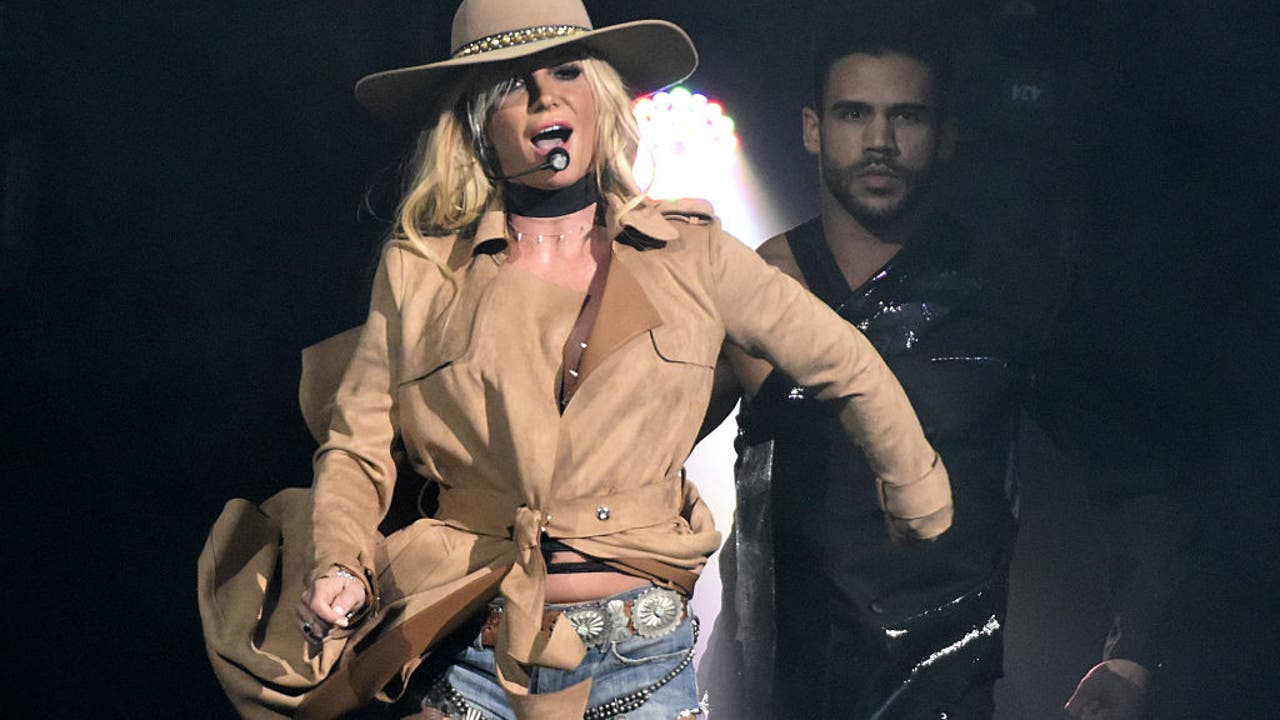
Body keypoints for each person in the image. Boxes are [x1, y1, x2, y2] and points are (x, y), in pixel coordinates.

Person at [197, 1, 954, 719]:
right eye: (510, 84)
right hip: (472, 647)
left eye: (565, 71)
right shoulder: (422, 271)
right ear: (477, 123)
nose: (543, 97)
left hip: (641, 654)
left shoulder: (693, 256)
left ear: (599, 97)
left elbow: (842, 361)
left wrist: (918, 492)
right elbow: (356, 444)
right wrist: (339, 563)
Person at [699, 4, 1180, 719]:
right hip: (767, 689)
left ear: (947, 135)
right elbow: (629, 454)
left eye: (908, 116)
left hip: (943, 698)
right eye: (854, 113)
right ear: (812, 128)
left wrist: (1131, 652)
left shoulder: (1011, 294)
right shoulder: (750, 287)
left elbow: (1140, 476)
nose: (880, 142)